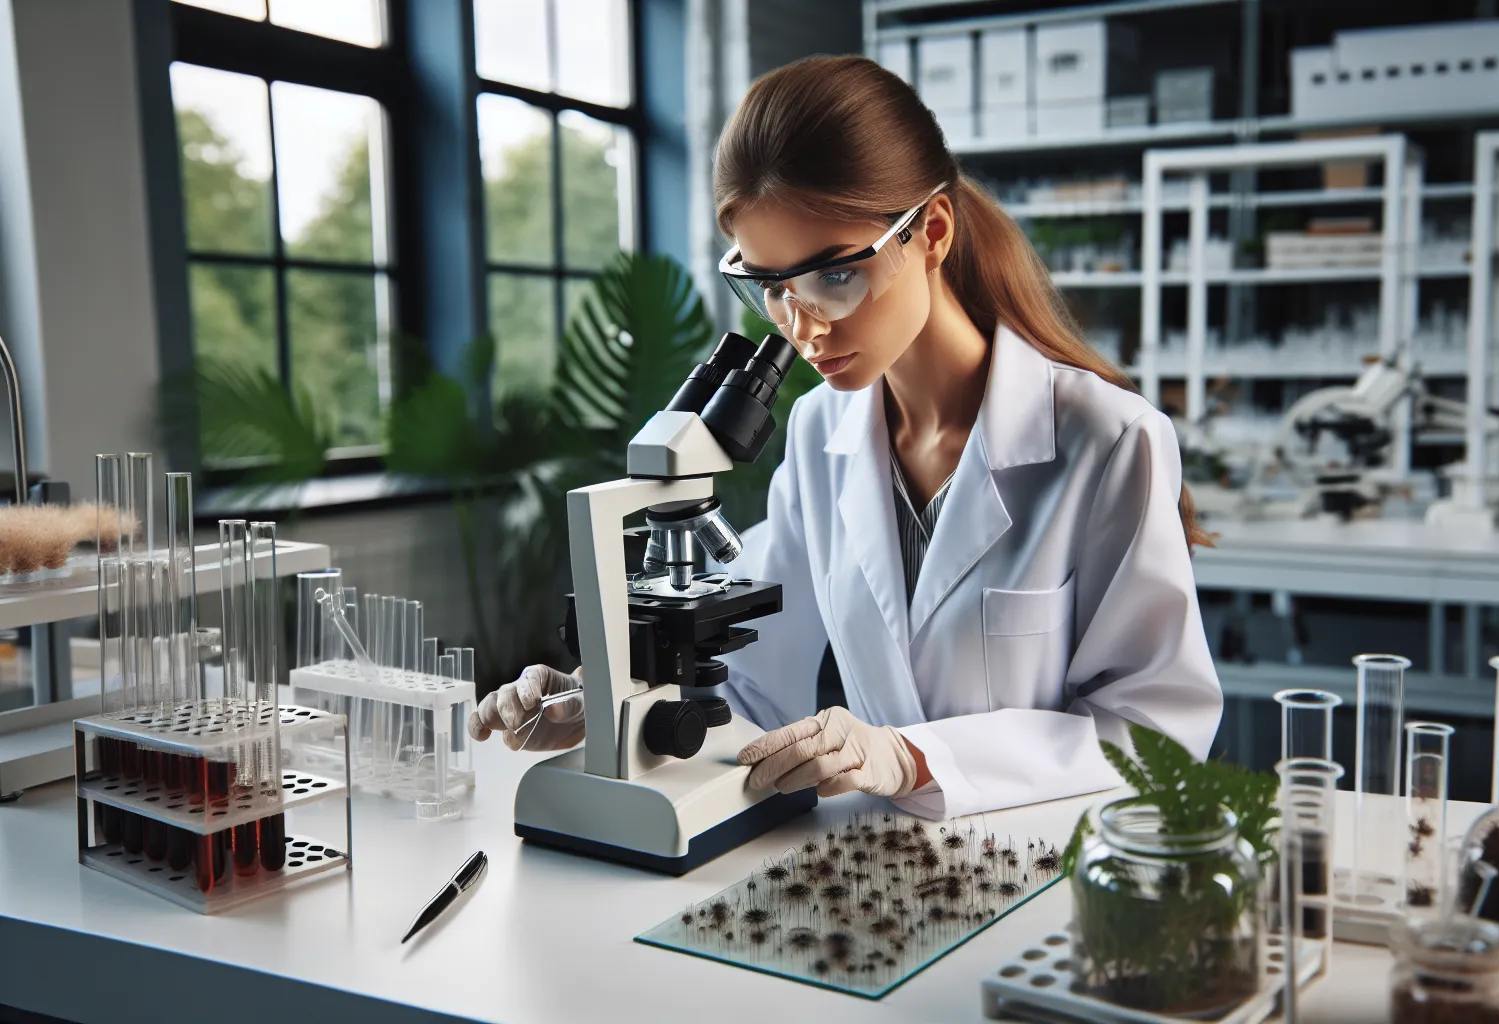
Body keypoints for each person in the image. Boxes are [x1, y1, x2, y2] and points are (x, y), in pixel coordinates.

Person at [468, 54, 1224, 819]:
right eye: (772, 287)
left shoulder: (1108, 439)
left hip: (1049, 868)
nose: (805, 327)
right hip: (879, 869)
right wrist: (615, 705)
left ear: (931, 231)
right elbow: (753, 681)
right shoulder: (822, 429)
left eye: (835, 276)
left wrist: (915, 756)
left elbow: (1158, 729)